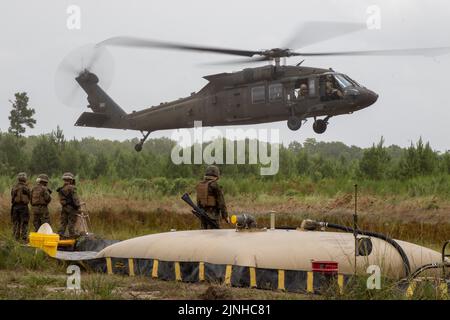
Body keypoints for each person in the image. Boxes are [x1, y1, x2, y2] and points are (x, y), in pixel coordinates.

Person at [195, 165, 229, 229]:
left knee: (203, 235)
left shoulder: (200, 185)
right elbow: (221, 202)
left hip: (202, 215)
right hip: (213, 216)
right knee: (214, 236)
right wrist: (225, 216)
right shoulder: (215, 185)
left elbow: (198, 201)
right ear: (216, 175)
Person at [56, 172, 80, 238]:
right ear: (71, 180)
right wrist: (78, 206)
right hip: (72, 208)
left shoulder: (61, 189)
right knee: (71, 222)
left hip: (64, 208)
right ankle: (72, 235)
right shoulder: (72, 188)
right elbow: (75, 199)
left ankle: (60, 235)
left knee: (63, 222)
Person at [10, 172, 31, 241]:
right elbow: (30, 196)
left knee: (16, 223)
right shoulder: (26, 187)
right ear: (25, 179)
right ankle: (24, 238)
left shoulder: (14, 187)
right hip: (24, 207)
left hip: (15, 207)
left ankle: (15, 238)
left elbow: (12, 196)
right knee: (24, 222)